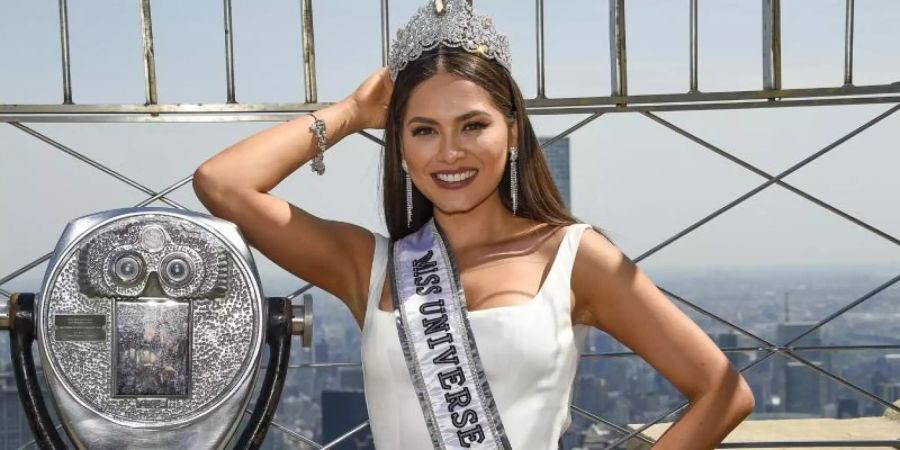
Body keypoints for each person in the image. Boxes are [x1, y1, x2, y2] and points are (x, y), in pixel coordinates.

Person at [193, 1, 754, 448]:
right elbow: (222, 184)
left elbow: (723, 393)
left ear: (512, 132)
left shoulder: (575, 257)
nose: (450, 153)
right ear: (401, 147)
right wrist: (351, 113)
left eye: (472, 125)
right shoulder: (369, 266)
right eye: (423, 130)